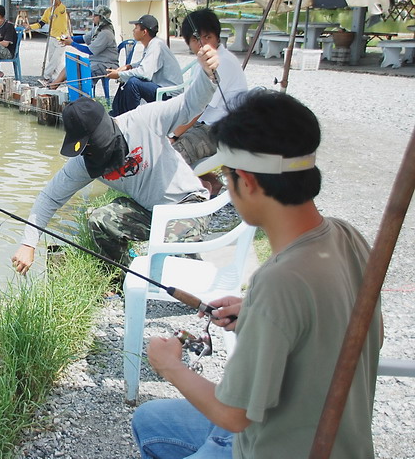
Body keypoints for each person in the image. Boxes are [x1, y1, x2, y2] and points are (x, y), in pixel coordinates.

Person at [132, 90, 383, 459]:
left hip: (278, 448)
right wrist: (256, 312)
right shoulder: (347, 235)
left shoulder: (280, 281)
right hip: (331, 435)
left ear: (246, 182)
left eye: (225, 177)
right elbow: (353, 333)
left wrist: (168, 365)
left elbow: (233, 416)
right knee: (150, 421)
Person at [11, 44, 220, 273]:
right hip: (150, 213)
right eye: (86, 150)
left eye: (95, 146)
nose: (92, 155)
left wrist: (206, 73)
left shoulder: (143, 121)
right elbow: (49, 198)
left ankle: (198, 277)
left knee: (178, 266)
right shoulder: (85, 162)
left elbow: (189, 103)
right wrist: (28, 243)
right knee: (100, 219)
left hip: (186, 204)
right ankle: (121, 279)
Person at [170, 9, 248, 195]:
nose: (202, 44)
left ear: (217, 37)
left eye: (207, 37)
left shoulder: (222, 62)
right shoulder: (203, 63)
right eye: (196, 39)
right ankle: (210, 183)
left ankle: (195, 193)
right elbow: (189, 103)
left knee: (172, 153)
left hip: (223, 130)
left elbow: (198, 106)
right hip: (204, 124)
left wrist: (174, 134)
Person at [107, 14, 183, 117]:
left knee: (133, 83)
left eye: (136, 28)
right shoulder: (153, 44)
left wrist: (119, 74)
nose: (133, 31)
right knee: (125, 80)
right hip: (161, 88)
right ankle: (116, 115)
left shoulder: (156, 46)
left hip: (169, 94)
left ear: (144, 32)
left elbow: (145, 73)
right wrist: (128, 67)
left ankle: (133, 120)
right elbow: (143, 63)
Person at [47, 5, 119, 92]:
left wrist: (72, 43)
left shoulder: (106, 33)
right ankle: (55, 84)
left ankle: (80, 94)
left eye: (94, 15)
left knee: (80, 71)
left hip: (106, 64)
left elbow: (89, 50)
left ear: (100, 17)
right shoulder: (97, 29)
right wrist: (68, 39)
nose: (92, 17)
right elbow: (84, 38)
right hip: (96, 62)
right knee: (72, 63)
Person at [27, 0, 73, 84]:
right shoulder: (48, 11)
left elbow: (60, 6)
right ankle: (55, 80)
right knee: (53, 60)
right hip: (52, 37)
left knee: (55, 59)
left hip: (62, 38)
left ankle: (46, 77)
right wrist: (30, 27)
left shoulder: (62, 9)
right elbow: (41, 24)